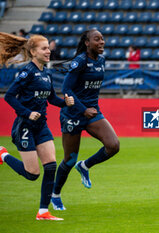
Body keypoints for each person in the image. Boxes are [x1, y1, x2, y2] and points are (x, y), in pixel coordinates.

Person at [0, 32, 74, 220]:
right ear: (33, 52)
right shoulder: (28, 72)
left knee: (51, 166)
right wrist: (26, 113)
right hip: (24, 126)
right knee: (32, 174)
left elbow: (51, 99)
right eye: (44, 48)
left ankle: (43, 212)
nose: (48, 51)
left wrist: (65, 102)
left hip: (41, 126)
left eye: (48, 48)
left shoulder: (45, 74)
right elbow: (9, 96)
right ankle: (3, 154)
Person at [51, 29, 120, 210]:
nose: (102, 42)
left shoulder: (102, 60)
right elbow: (66, 89)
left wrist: (89, 109)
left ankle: (85, 166)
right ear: (87, 43)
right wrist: (82, 109)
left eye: (103, 39)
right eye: (97, 39)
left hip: (92, 113)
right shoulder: (80, 61)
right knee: (69, 160)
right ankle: (55, 194)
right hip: (73, 114)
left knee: (113, 145)